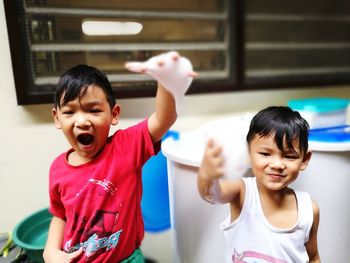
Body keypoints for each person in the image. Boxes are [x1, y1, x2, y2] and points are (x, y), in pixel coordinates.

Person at [43, 52, 195, 263]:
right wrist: (50, 251)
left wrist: (165, 80)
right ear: (57, 118)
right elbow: (60, 214)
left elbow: (164, 118)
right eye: (69, 112)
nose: (82, 121)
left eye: (94, 110)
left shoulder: (126, 148)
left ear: (113, 114)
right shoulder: (57, 168)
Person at [197, 106, 321, 263]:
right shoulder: (242, 192)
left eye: (289, 156)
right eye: (265, 154)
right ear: (247, 153)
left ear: (304, 160)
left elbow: (314, 257)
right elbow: (211, 195)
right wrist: (207, 175)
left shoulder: (309, 209)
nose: (277, 164)